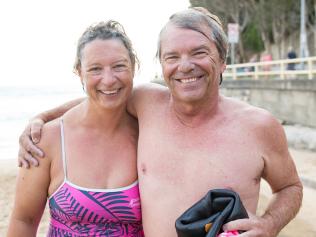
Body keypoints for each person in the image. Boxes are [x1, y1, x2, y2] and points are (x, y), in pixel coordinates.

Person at [17, 8, 303, 237]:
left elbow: (290, 187)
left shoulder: (259, 126)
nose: (185, 65)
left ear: (222, 59)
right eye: (172, 56)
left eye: (199, 52)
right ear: (162, 65)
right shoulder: (146, 102)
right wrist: (42, 118)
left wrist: (269, 224)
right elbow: (101, 97)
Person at [8, 20, 144, 236]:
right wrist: (43, 117)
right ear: (79, 72)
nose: (108, 79)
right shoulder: (48, 140)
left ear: (133, 67)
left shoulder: (149, 132)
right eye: (95, 69)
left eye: (119, 66)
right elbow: (23, 220)